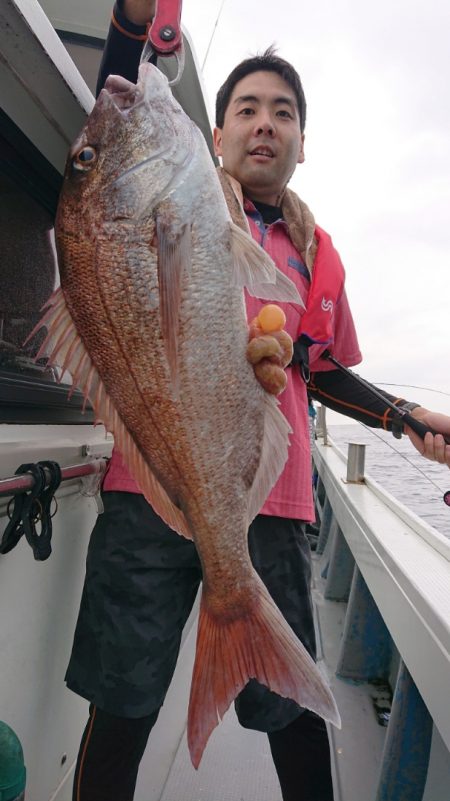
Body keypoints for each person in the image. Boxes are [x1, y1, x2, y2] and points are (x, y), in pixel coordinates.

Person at [67, 3, 450, 800]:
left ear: (303, 143)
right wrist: (132, 29)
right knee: (123, 705)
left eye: (284, 112)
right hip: (149, 488)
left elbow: (326, 369)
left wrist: (405, 418)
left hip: (273, 506)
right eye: (246, 108)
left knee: (292, 717)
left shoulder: (321, 258)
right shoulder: (178, 200)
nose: (265, 123)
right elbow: (109, 129)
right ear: (215, 136)